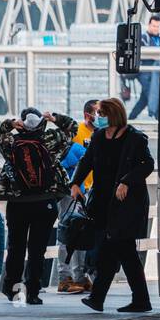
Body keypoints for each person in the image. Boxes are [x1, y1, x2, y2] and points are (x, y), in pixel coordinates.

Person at [0, 106, 78, 304]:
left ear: (21, 122)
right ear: (41, 121)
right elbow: (73, 128)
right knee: (38, 249)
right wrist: (54, 118)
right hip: (45, 201)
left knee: (16, 247)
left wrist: (9, 125)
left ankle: (13, 289)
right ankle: (33, 292)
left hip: (17, 202)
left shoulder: (11, 142)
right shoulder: (51, 140)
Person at [74, 97, 154, 313]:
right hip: (102, 202)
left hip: (125, 203)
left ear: (113, 114)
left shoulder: (135, 138)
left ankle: (105, 298)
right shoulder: (99, 136)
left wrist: (126, 181)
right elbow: (87, 161)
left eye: (102, 113)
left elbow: (147, 164)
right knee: (118, 251)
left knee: (119, 248)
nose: (98, 117)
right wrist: (75, 182)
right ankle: (109, 299)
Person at [57, 100, 100, 293]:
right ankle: (65, 277)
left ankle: (81, 276)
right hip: (73, 192)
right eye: (98, 113)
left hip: (91, 190)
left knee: (82, 233)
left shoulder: (101, 134)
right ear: (87, 115)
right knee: (68, 231)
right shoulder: (77, 133)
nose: (101, 116)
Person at [128, 16, 160, 120]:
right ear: (149, 25)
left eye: (158, 26)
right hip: (144, 72)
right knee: (152, 94)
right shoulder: (143, 38)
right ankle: (159, 120)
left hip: (155, 72)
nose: (155, 28)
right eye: (154, 26)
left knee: (144, 99)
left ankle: (130, 119)